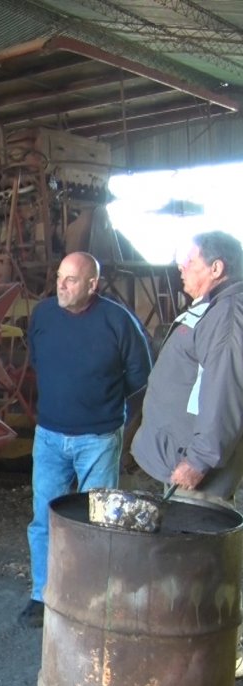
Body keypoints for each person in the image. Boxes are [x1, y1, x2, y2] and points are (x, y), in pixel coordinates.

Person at [20, 251, 152, 629]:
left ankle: (93, 600)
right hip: (49, 435)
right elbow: (38, 359)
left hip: (98, 436)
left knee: (98, 523)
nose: (61, 285)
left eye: (72, 280)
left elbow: (140, 374)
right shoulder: (43, 315)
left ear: (92, 285)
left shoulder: (117, 321)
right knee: (44, 519)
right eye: (60, 276)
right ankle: (41, 597)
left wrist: (106, 407)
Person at [132, 231, 243, 505]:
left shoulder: (226, 316)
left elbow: (224, 390)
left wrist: (199, 460)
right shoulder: (215, 307)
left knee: (191, 541)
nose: (181, 267)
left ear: (216, 268)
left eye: (190, 261)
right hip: (181, 453)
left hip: (196, 468)